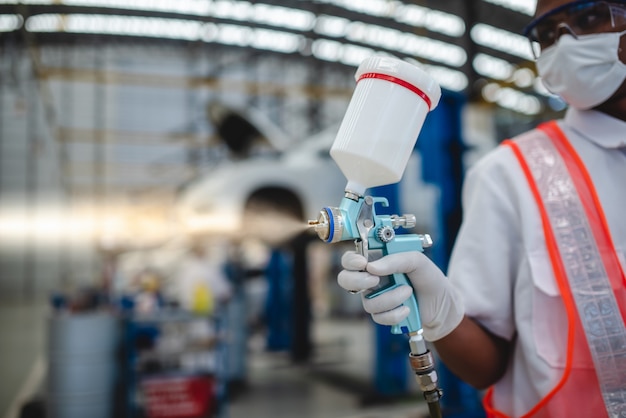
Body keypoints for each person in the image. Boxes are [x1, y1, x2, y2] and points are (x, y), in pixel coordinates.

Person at [336, 1, 626, 417]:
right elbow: (486, 367)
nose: (564, 42)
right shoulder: (510, 174)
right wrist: (441, 314)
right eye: (546, 34)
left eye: (588, 17)